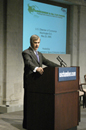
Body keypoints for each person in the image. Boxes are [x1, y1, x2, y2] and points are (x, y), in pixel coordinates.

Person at [22, 34, 60, 129]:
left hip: (38, 83)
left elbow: (47, 62)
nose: (37, 45)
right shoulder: (26, 52)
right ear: (31, 42)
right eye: (35, 43)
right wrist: (36, 68)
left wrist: (59, 67)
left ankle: (35, 123)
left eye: (38, 43)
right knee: (28, 104)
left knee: (36, 104)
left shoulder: (39, 54)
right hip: (30, 82)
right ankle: (27, 124)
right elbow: (28, 63)